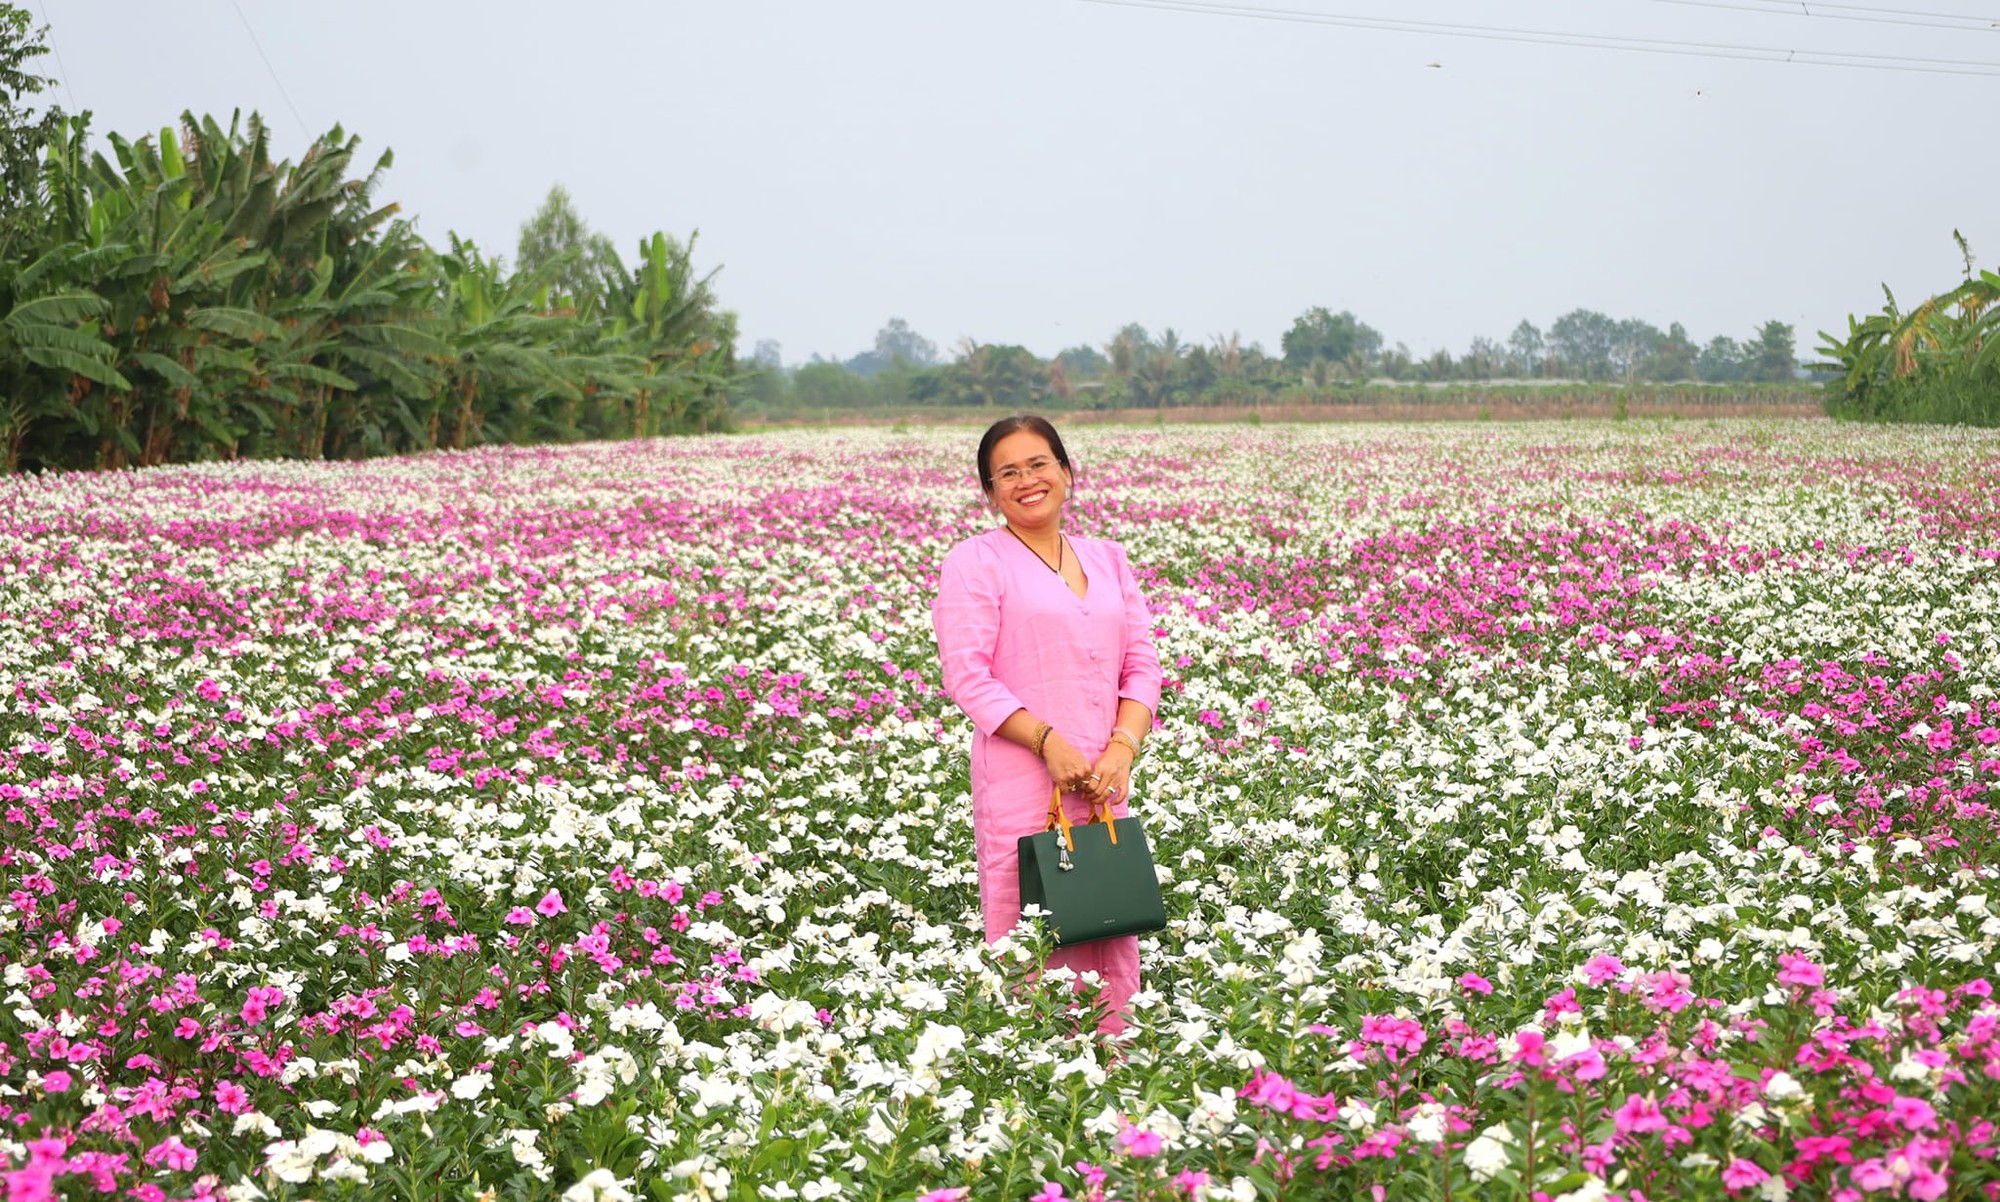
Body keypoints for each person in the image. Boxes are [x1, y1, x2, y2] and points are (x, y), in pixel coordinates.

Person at [931, 414, 1163, 1034]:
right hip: (1024, 779)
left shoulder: (1108, 559)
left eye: (1039, 464)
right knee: (1033, 925)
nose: (1027, 480)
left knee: (1107, 916)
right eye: (1007, 472)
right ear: (989, 493)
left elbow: (1141, 666)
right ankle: (1043, 1075)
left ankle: (1112, 1070)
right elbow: (968, 675)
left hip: (1105, 780)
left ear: (1066, 472)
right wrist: (1048, 741)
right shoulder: (975, 562)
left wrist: (1122, 750)